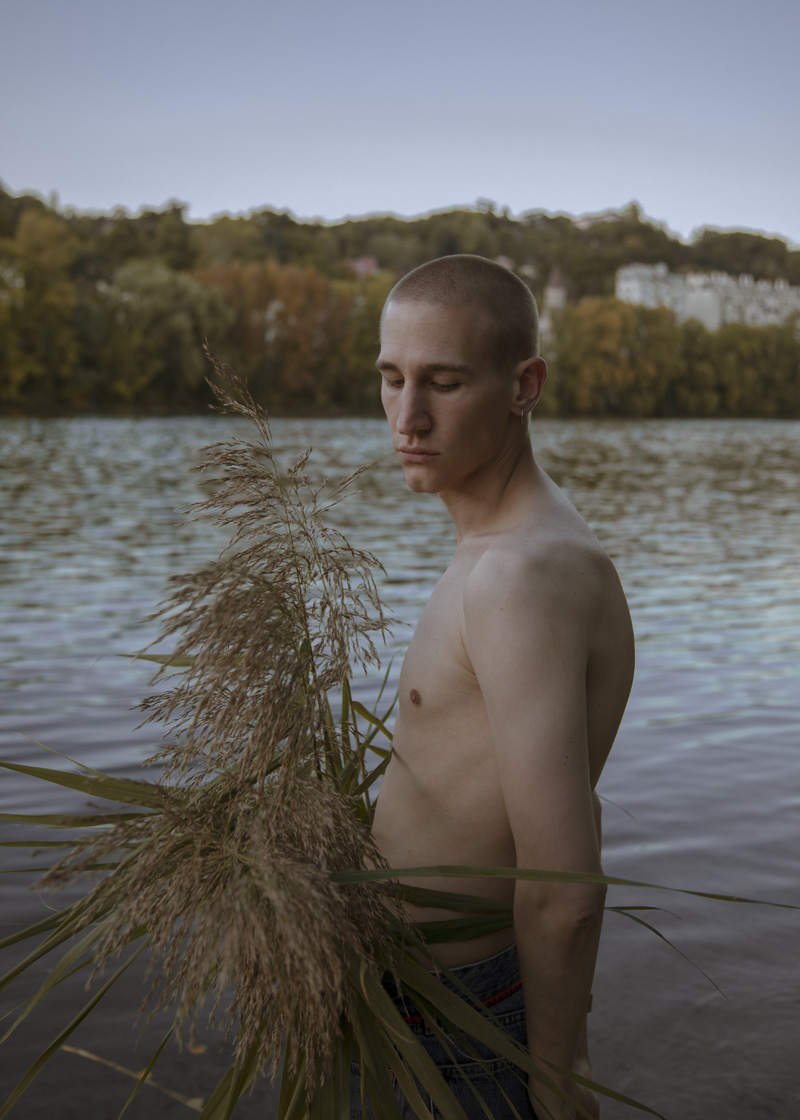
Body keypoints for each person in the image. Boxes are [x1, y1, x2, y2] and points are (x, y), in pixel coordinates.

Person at [357, 254, 635, 1120]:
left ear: (524, 386)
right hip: (421, 1006)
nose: (408, 417)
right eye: (392, 379)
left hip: (462, 1026)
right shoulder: (500, 550)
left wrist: (556, 1081)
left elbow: (563, 883)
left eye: (443, 383)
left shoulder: (519, 575)